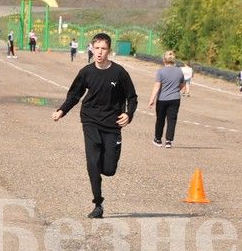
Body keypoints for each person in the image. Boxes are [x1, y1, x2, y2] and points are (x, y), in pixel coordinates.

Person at [52, 33, 138, 219]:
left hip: (112, 124)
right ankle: (98, 204)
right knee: (92, 163)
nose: (99, 52)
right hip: (90, 120)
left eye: (103, 49)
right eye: (96, 48)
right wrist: (62, 110)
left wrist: (128, 114)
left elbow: (132, 97)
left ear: (109, 50)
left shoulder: (119, 73)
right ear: (91, 48)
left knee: (108, 169)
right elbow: (74, 95)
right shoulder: (86, 72)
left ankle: (102, 167)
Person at [148, 50, 185, 148]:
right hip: (175, 99)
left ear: (164, 60)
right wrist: (175, 90)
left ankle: (158, 139)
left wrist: (152, 99)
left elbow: (157, 86)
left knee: (160, 119)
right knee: (172, 120)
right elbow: (182, 85)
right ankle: (168, 141)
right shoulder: (179, 71)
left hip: (162, 99)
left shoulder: (161, 71)